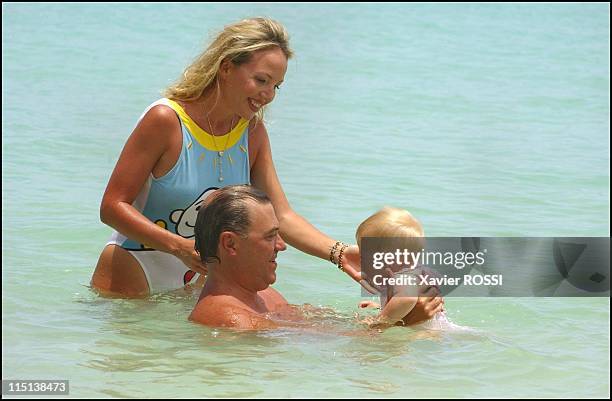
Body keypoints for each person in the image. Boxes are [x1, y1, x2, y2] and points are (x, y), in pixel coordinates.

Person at [189, 185, 443, 330]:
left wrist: (379, 312)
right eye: (270, 237)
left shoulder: (261, 295)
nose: (282, 246)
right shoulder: (232, 320)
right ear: (230, 244)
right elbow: (325, 357)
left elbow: (314, 331)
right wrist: (399, 323)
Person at [356, 207, 447, 328]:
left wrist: (379, 323)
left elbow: (407, 299)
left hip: (427, 334)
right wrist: (382, 308)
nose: (360, 257)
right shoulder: (410, 273)